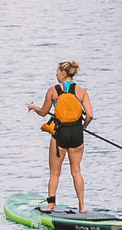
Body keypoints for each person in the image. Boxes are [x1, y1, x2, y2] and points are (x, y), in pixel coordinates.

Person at [30, 59, 93, 214]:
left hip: (60, 134)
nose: (56, 74)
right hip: (77, 134)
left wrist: (33, 107)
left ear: (63, 73)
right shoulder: (82, 91)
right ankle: (82, 206)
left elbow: (43, 112)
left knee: (54, 172)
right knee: (76, 170)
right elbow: (90, 115)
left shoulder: (53, 90)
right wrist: (82, 127)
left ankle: (51, 204)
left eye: (57, 71)